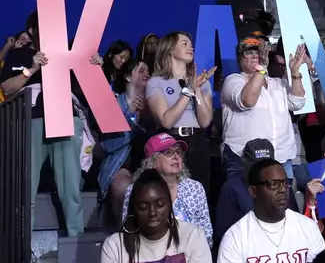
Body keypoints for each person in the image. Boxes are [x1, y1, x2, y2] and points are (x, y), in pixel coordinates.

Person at [0, 12, 101, 237]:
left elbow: (86, 90)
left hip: (65, 117)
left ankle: (76, 243)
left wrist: (94, 67)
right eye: (44, 26)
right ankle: (21, 245)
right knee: (26, 190)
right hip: (31, 120)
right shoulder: (19, 55)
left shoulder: (69, 54)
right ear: (33, 31)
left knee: (71, 188)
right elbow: (6, 89)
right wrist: (31, 69)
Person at [220, 37, 306, 179]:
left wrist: (295, 72)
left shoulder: (277, 83)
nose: (255, 55)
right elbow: (247, 101)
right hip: (245, 159)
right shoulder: (234, 81)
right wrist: (261, 69)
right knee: (246, 200)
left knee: (283, 200)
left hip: (281, 157)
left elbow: (298, 102)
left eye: (258, 52)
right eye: (249, 52)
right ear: (240, 59)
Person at [146, 31, 216, 195]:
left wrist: (197, 89)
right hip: (171, 143)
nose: (190, 46)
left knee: (200, 193)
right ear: (169, 49)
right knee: (172, 195)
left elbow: (205, 121)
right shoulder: (156, 82)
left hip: (198, 142)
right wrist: (187, 92)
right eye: (184, 43)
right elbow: (166, 121)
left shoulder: (201, 82)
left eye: (191, 44)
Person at [217, 159, 325, 263]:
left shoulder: (308, 227)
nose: (282, 189)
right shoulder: (235, 238)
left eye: (285, 183)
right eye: (273, 184)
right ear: (253, 191)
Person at [121, 133, 213, 247]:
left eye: (178, 152)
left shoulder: (194, 188)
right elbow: (130, 232)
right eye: (169, 152)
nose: (176, 156)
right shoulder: (134, 190)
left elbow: (206, 233)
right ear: (153, 161)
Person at [101, 169, 211, 263]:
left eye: (160, 205)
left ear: (169, 204)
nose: (152, 213)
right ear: (133, 209)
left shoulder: (192, 235)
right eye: (143, 207)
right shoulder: (114, 246)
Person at [98, 59, 150, 220]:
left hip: (148, 165)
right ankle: (125, 234)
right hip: (121, 165)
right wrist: (133, 123)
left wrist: (145, 117)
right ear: (128, 77)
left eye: (148, 71)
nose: (146, 74)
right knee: (123, 188)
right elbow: (108, 144)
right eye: (141, 71)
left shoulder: (154, 102)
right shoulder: (113, 105)